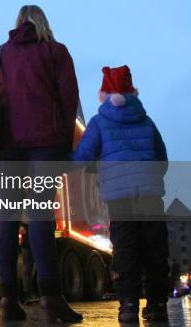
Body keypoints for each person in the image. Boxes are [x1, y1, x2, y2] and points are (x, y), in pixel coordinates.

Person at [0, 5, 82, 323]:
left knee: (7, 220)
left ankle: (8, 298)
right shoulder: (56, 52)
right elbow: (68, 100)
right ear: (43, 23)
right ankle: (51, 298)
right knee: (40, 218)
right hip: (44, 146)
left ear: (17, 23)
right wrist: (63, 144)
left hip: (8, 147)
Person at [73, 65, 170, 322]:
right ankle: (157, 304)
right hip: (150, 196)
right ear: (132, 93)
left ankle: (128, 305)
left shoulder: (99, 122)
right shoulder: (147, 121)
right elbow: (162, 159)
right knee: (155, 250)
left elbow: (82, 156)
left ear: (103, 95)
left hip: (119, 199)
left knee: (125, 250)